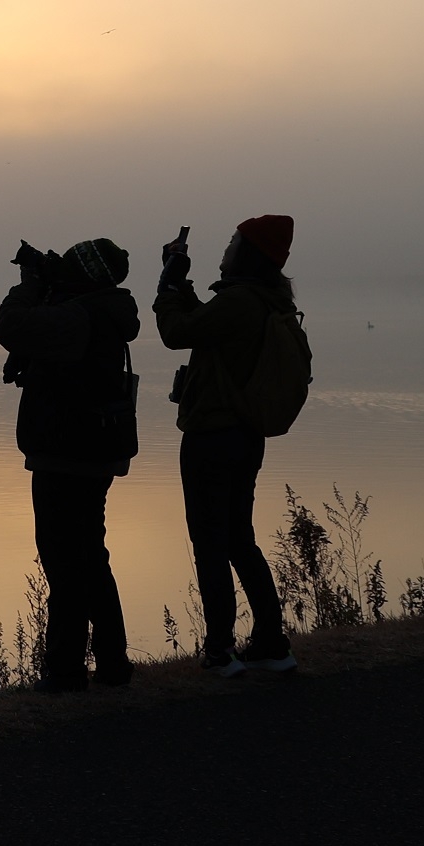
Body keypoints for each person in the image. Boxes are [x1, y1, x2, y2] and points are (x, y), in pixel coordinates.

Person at [154, 215, 298, 676]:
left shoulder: (239, 301)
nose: (227, 246)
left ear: (248, 253)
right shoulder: (264, 300)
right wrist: (184, 285)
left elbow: (179, 333)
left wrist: (166, 287)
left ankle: (220, 651)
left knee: (210, 543)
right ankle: (272, 644)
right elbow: (206, 325)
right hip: (244, 437)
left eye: (235, 240)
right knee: (239, 539)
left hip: (211, 436)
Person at [0, 239, 139, 692]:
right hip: (91, 449)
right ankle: (111, 662)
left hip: (66, 452)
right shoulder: (104, 308)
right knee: (89, 555)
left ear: (84, 274)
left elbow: (11, 327)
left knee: (64, 560)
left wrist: (30, 284)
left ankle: (66, 669)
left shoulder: (80, 316)